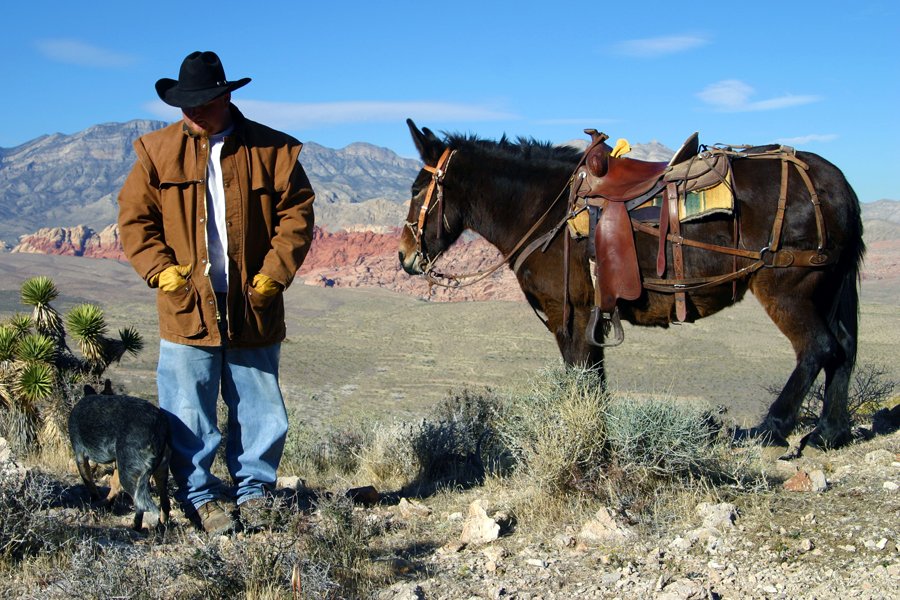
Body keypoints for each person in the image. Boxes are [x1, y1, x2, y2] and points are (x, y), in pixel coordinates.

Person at [117, 50, 315, 534]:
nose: (193, 109)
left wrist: (274, 273)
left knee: (260, 408)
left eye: (203, 99)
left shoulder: (275, 151)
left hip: (253, 305)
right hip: (187, 307)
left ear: (226, 96)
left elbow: (297, 217)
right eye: (186, 101)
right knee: (188, 410)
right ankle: (198, 497)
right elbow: (134, 220)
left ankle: (255, 494)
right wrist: (159, 271)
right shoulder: (154, 151)